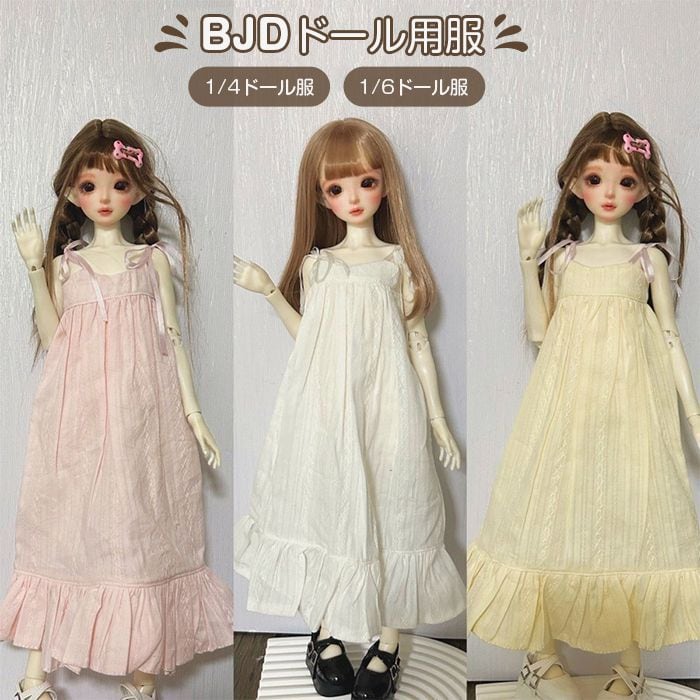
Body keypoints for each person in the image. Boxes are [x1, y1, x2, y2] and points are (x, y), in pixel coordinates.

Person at [468, 112, 700, 699]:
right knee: (546, 515)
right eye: (596, 179)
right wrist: (528, 261)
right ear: (574, 183)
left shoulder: (648, 259)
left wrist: (693, 414)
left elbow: (669, 337)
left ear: (643, 189)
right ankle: (540, 656)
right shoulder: (565, 257)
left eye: (626, 181)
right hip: (565, 405)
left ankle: (630, 662)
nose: (610, 193)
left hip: (634, 407)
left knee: (636, 518)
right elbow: (541, 333)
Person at [0, 119, 233, 700]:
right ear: (72, 194)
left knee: (143, 527)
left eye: (118, 185)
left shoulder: (150, 262)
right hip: (74, 420)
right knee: (61, 530)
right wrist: (33, 268)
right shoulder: (67, 265)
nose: (104, 198)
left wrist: (194, 412)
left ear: (137, 190)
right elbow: (54, 340)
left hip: (144, 419)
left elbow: (173, 338)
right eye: (89, 186)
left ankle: (141, 681)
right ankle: (34, 680)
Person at [234, 118, 465, 700]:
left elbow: (417, 342)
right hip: (325, 409)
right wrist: (269, 290)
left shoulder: (396, 263)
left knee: (397, 509)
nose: (354, 198)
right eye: (337, 188)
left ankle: (389, 641)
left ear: (385, 185)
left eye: (366, 182)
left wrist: (437, 419)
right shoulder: (318, 265)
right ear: (320, 197)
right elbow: (307, 337)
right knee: (325, 505)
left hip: (391, 407)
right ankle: (325, 632)